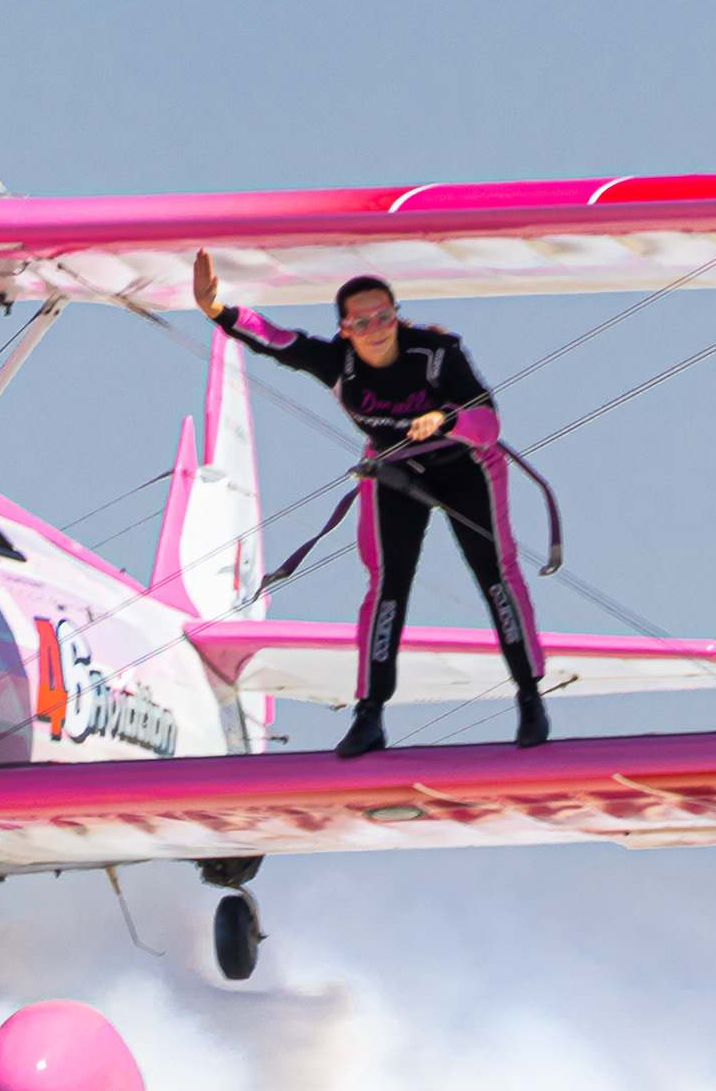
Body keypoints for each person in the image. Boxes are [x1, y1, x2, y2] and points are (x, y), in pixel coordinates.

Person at [193, 250, 549, 753]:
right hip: (395, 471)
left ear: (396, 316)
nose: (375, 329)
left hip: (466, 468)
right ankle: (370, 714)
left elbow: (488, 426)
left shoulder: (437, 353)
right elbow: (277, 341)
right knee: (387, 586)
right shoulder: (336, 363)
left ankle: (530, 697)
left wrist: (446, 419)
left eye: (383, 317)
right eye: (361, 322)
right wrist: (216, 310)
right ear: (345, 330)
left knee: (496, 574)